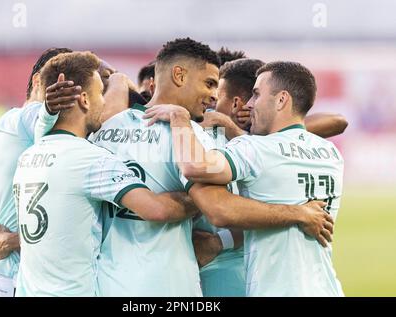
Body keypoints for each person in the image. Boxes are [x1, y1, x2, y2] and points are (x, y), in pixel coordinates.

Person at [36, 38, 333, 296]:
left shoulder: (103, 130)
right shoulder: (190, 137)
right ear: (179, 75)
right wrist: (297, 213)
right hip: (171, 285)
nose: (214, 96)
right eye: (209, 83)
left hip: (110, 282)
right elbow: (220, 209)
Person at [144, 61, 344, 296]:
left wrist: (180, 119)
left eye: (256, 95)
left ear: (281, 100)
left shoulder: (255, 148)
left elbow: (197, 170)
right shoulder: (331, 153)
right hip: (327, 288)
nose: (249, 105)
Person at [14, 51, 197, 297]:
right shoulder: (91, 159)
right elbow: (157, 209)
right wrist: (203, 198)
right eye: (101, 93)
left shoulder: (29, 156)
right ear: (84, 100)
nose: (104, 102)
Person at [0, 47, 74, 297]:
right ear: (38, 82)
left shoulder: (7, 127)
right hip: (11, 281)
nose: (72, 99)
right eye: (63, 88)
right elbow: (43, 114)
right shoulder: (25, 119)